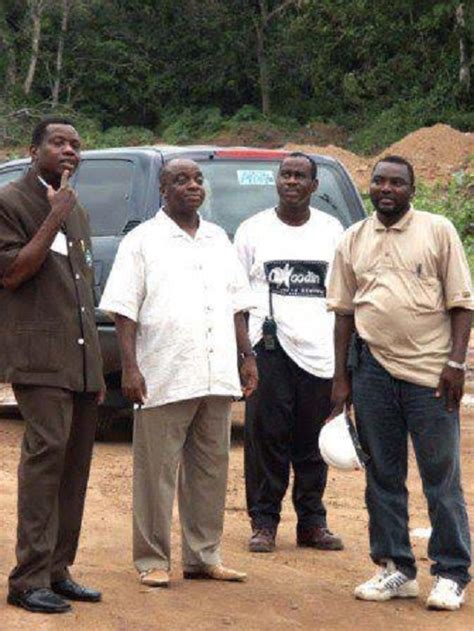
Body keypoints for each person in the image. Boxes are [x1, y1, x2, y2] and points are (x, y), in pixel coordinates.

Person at [99, 158, 258, 588]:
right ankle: (152, 559)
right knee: (156, 473)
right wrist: (129, 368)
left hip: (216, 370)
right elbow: (123, 310)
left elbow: (236, 304)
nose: (192, 186)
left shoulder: (217, 238)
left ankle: (203, 556)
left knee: (211, 469)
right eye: (180, 180)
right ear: (163, 190)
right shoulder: (143, 241)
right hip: (163, 372)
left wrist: (247, 356)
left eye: (197, 179)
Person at [327, 155, 472, 611]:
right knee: (382, 476)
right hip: (372, 373)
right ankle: (396, 568)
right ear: (370, 187)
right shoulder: (353, 238)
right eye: (379, 181)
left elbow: (462, 305)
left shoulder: (438, 230)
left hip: (431, 374)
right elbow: (345, 313)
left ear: (411, 189)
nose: (386, 188)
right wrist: (341, 378)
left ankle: (451, 573)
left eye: (397, 182)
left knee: (440, 477)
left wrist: (456, 364)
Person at [0, 117, 105, 614]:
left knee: (75, 466)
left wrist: (97, 371)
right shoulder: (10, 202)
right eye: (59, 143)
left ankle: (58, 570)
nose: (69, 151)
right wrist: (53, 216)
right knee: (46, 460)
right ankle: (26, 580)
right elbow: (14, 273)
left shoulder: (74, 207)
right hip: (39, 358)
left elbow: (84, 292)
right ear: (34, 148)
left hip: (80, 361)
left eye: (76, 145)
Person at [234, 152, 344, 553]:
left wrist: (343, 358)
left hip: (320, 350)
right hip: (269, 349)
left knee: (313, 440)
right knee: (267, 438)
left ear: (315, 186)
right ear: (277, 182)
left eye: (301, 176)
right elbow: (237, 298)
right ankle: (263, 523)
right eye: (286, 175)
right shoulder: (252, 230)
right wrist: (244, 353)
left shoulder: (332, 231)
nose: (292, 181)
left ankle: (312, 523)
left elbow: (343, 297)